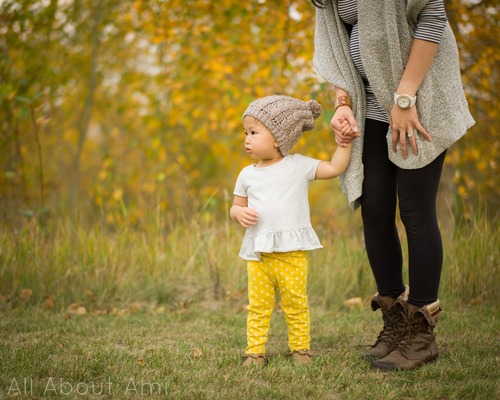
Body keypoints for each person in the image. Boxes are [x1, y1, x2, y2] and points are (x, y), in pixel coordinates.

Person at [311, 0, 475, 370]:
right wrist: (342, 104)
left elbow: (432, 15)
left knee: (415, 210)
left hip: (418, 101)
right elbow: (335, 48)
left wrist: (405, 98)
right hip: (370, 107)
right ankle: (395, 322)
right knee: (374, 209)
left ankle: (421, 333)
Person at [230, 95, 353, 367]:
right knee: (258, 307)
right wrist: (240, 213)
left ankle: (300, 349)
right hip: (259, 256)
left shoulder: (298, 166)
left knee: (296, 304)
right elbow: (235, 207)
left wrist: (343, 145)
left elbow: (335, 167)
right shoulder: (247, 174)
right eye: (245, 133)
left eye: (253, 132)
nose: (247, 139)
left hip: (292, 255)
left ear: (277, 137)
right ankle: (255, 351)